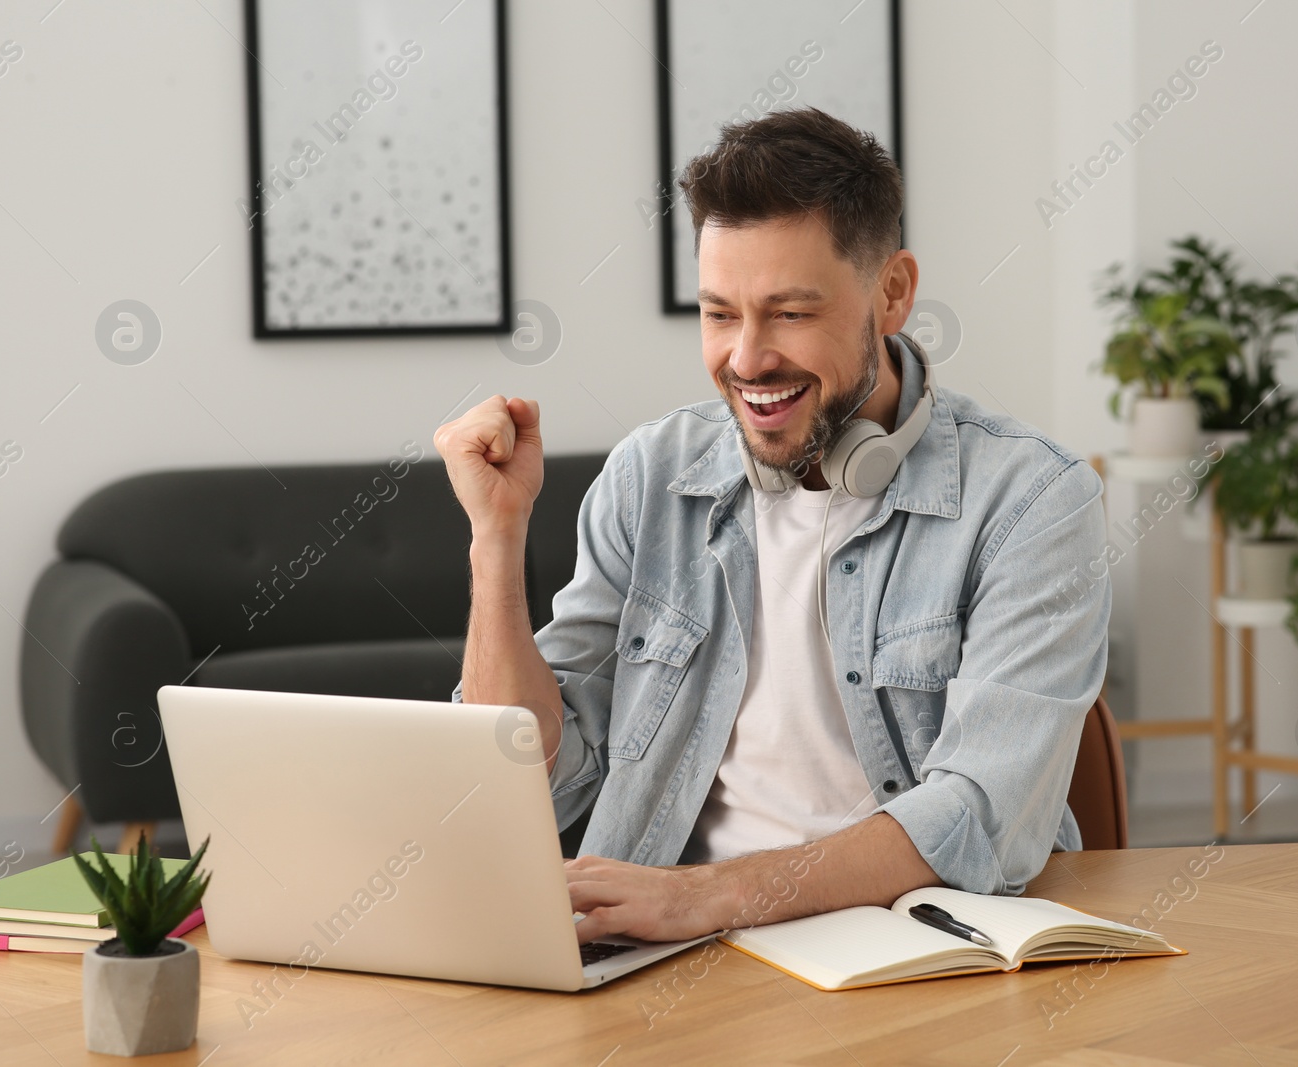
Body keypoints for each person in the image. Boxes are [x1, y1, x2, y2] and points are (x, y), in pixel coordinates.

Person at [435, 107, 1109, 945]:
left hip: (923, 948)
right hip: (665, 953)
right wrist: (495, 545)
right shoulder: (651, 476)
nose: (747, 360)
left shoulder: (1033, 501)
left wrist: (704, 896)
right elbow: (537, 781)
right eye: (720, 314)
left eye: (789, 313)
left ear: (892, 292)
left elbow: (980, 813)